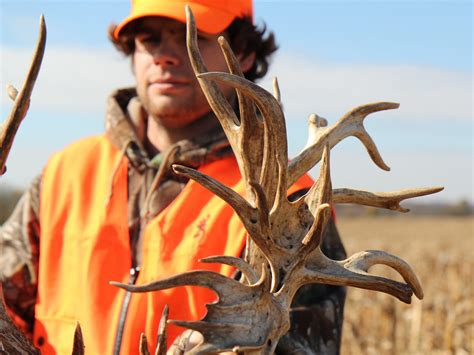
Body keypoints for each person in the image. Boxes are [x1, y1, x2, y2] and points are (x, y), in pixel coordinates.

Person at [0, 0, 346, 354]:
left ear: (242, 52)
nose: (164, 56)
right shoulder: (65, 172)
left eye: (191, 37)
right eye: (148, 39)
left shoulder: (284, 198)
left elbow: (301, 341)